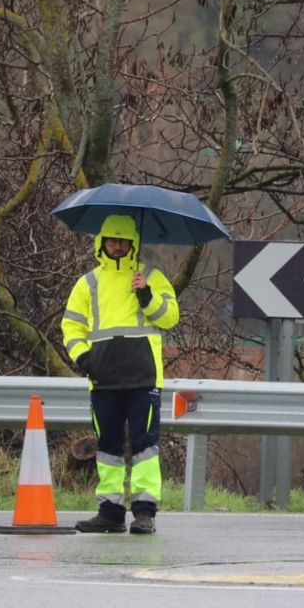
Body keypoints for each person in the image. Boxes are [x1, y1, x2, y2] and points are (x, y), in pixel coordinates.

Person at [59, 213, 179, 535]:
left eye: (123, 240)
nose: (116, 245)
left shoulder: (151, 276)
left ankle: (144, 513)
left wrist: (147, 296)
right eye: (111, 239)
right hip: (103, 376)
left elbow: (170, 318)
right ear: (101, 242)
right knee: (108, 445)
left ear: (132, 243)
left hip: (143, 376)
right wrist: (82, 356)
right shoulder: (88, 283)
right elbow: (71, 325)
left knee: (145, 445)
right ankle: (110, 512)